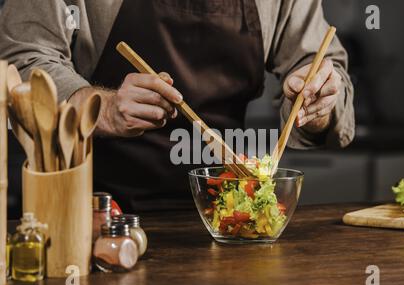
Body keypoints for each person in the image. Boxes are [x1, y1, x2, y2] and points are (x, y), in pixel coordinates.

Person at [0, 0, 354, 212]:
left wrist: (316, 100)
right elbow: (22, 57)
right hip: (92, 212)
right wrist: (102, 108)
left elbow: (322, 65)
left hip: (230, 214)